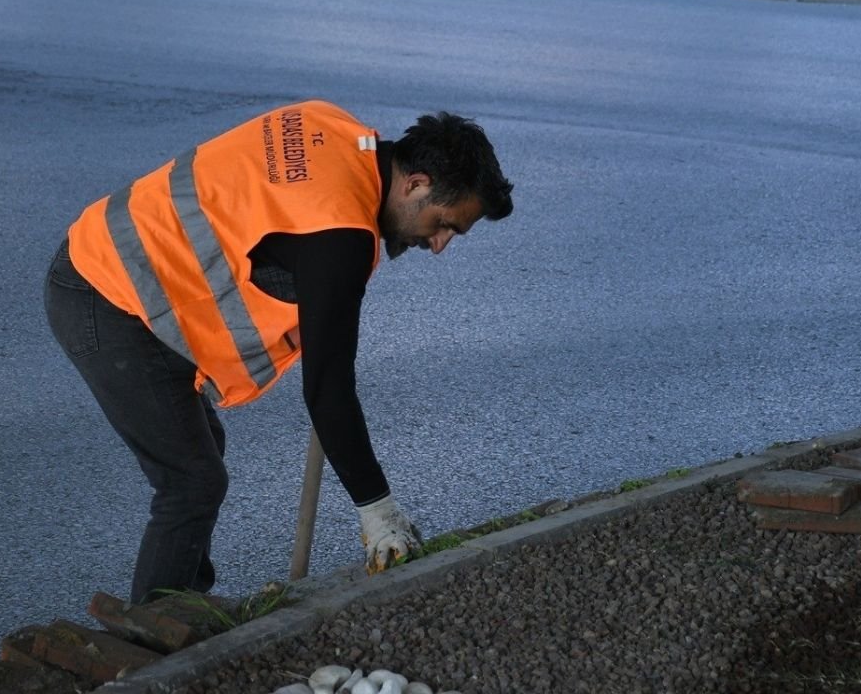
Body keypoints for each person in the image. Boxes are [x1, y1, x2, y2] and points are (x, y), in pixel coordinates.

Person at [44, 100, 513, 604]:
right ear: (416, 184)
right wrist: (377, 510)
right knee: (192, 482)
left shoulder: (331, 125)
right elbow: (329, 391)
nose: (440, 244)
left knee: (202, 450)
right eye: (446, 224)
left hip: (116, 256)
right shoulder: (340, 236)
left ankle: (184, 608)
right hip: (105, 294)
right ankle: (153, 640)